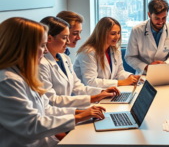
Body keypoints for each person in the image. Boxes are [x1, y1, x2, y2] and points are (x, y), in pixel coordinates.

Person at [0, 17, 106, 147]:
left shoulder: (23, 74)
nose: (45, 51)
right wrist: (78, 117)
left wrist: (81, 114)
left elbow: (47, 109)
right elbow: (32, 126)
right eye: (42, 45)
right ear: (23, 47)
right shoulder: (7, 81)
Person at [39, 16, 120, 108]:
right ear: (49, 39)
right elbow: (52, 100)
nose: (68, 41)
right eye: (65, 38)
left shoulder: (64, 58)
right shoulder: (41, 64)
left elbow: (78, 87)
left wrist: (102, 92)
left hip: (69, 111)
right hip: (57, 116)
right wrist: (94, 98)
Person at [74, 17, 139, 88]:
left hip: (104, 92)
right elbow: (90, 82)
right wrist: (121, 82)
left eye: (118, 33)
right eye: (113, 34)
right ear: (102, 34)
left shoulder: (115, 50)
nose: (117, 37)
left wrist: (131, 77)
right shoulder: (88, 52)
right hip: (88, 95)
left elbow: (119, 72)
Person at [125, 0, 169, 74]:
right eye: (157, 18)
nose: (161, 22)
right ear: (149, 15)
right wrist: (146, 67)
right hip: (144, 74)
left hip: (166, 72)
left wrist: (165, 64)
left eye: (164, 18)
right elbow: (130, 57)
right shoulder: (137, 30)